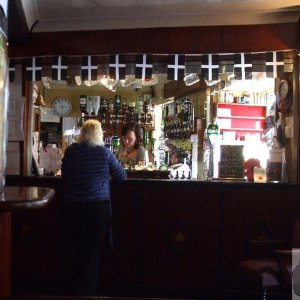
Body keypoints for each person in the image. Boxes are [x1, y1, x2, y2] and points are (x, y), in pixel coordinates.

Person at [61, 119, 126, 296]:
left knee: (75, 251)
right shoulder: (105, 153)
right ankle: (88, 293)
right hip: (97, 209)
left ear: (82, 133)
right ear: (99, 135)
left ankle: (74, 292)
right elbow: (122, 176)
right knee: (92, 255)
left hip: (74, 208)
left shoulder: (71, 151)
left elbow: (64, 175)